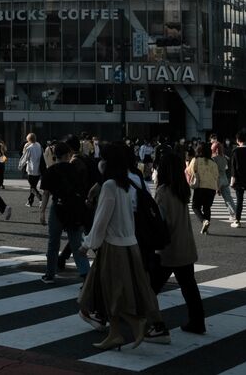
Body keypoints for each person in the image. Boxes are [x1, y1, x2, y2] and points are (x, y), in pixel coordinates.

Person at [77, 142, 157, 350]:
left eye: (102, 158)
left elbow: (101, 220)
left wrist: (87, 244)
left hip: (113, 247)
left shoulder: (110, 186)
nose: (100, 162)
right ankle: (115, 334)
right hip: (130, 244)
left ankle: (133, 322)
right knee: (114, 291)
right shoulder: (125, 184)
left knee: (110, 291)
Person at [151, 151, 206, 334]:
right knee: (189, 287)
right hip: (185, 245)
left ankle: (147, 322)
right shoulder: (182, 189)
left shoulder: (162, 192)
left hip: (168, 248)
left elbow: (160, 221)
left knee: (150, 289)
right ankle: (197, 322)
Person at [38, 142, 90, 283]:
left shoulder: (50, 170)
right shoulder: (76, 169)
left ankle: (50, 274)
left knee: (53, 243)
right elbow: (83, 190)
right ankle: (86, 276)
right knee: (76, 244)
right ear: (68, 155)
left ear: (56, 156)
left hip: (58, 208)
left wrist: (42, 212)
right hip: (74, 209)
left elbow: (46, 193)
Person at [186, 143, 219, 234]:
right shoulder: (213, 162)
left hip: (200, 187)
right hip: (211, 187)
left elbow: (189, 171)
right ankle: (206, 228)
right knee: (207, 207)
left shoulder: (196, 160)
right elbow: (216, 175)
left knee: (195, 206)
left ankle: (204, 221)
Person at [19, 132, 43, 207]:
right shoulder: (39, 145)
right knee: (33, 186)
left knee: (32, 187)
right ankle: (30, 201)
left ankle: (40, 198)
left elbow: (24, 157)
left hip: (31, 170)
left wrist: (20, 166)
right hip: (38, 169)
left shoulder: (29, 148)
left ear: (28, 139)